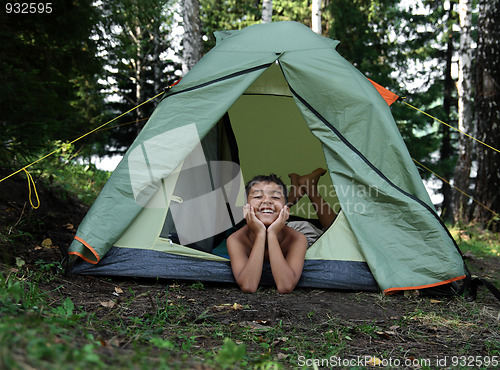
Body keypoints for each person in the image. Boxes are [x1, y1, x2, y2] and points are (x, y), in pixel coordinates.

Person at [227, 169, 337, 294]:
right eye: (258, 196)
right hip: (279, 224)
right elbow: (248, 286)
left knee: (333, 232)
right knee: (270, 208)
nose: (267, 200)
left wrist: (272, 234)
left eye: (275, 197)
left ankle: (309, 187)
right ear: (245, 209)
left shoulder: (298, 238)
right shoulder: (236, 240)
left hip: (300, 230)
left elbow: (285, 286)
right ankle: (299, 189)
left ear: (287, 211)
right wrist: (260, 234)